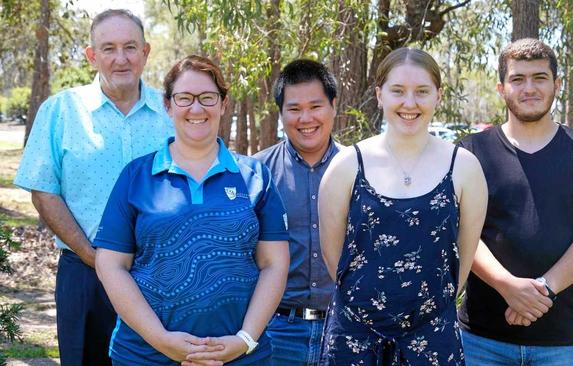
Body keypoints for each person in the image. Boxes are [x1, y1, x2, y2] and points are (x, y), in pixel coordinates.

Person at [93, 55, 290, 365]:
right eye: (184, 98)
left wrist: (245, 339)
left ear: (224, 103)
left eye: (207, 98)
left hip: (240, 357)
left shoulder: (255, 177)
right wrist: (161, 340)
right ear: (168, 105)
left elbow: (274, 264)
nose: (196, 109)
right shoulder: (136, 176)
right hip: (145, 355)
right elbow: (110, 265)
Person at [13, 9, 173, 365]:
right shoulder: (61, 111)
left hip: (160, 274)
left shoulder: (171, 111)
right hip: (84, 274)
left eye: (130, 47)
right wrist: (94, 257)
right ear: (92, 55)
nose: (121, 58)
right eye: (109, 48)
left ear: (146, 52)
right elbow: (43, 191)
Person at [457, 38, 573, 366]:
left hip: (563, 340)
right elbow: (463, 231)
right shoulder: (472, 151)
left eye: (539, 78)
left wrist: (544, 289)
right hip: (481, 338)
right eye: (517, 79)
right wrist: (508, 287)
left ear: (556, 85)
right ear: (501, 88)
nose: (528, 88)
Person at [318, 47, 488, 365]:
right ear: (380, 95)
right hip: (354, 338)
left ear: (438, 96)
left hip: (433, 337)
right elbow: (334, 258)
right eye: (398, 91)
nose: (409, 104)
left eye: (422, 91)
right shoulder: (346, 166)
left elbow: (462, 263)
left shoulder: (464, 167)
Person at [253, 59, 340, 366]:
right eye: (294, 108)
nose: (306, 118)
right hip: (276, 330)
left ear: (333, 106)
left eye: (316, 106)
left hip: (342, 329)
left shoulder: (357, 169)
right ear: (281, 113)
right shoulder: (256, 173)